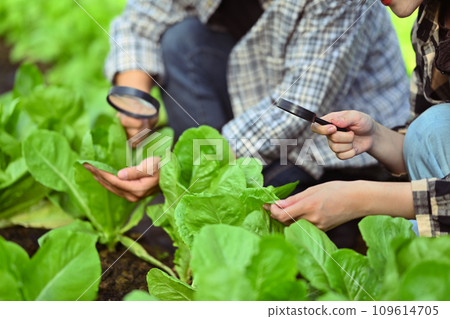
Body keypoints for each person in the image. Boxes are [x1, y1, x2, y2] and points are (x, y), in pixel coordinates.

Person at [86, 0, 410, 245]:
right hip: (254, 99)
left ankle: (210, 199)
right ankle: (203, 206)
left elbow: (295, 107)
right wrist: (133, 96)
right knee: (183, 42)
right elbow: (146, 12)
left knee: (276, 215)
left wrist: (182, 168)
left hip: (334, 146)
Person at [268, 0, 450, 237]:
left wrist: (358, 199)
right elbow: (427, 149)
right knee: (428, 128)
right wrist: (374, 137)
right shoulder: (429, 22)